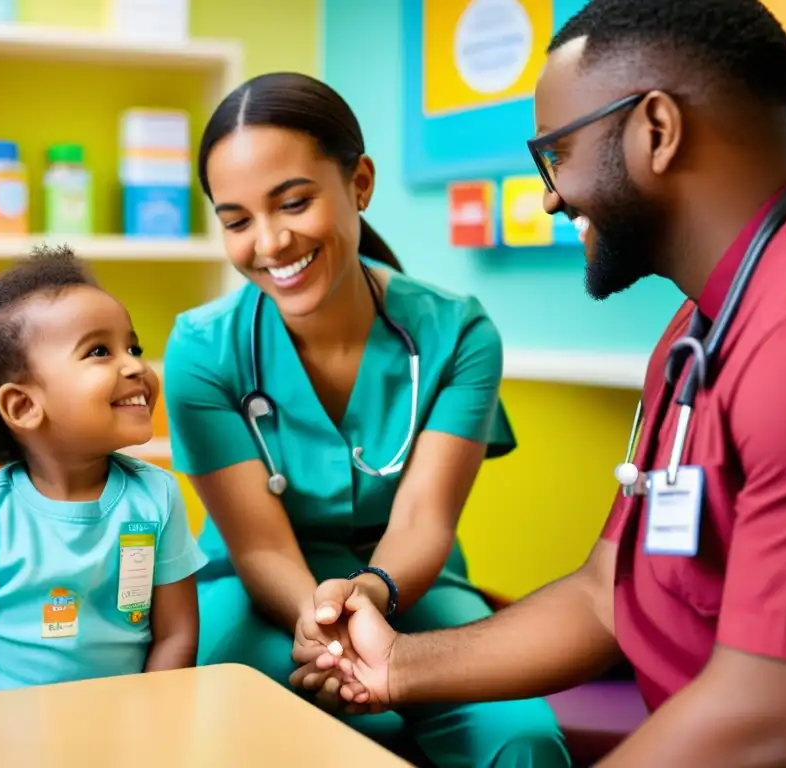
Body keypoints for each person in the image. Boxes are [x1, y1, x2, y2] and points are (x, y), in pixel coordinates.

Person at [291, 0, 786, 765]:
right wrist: (399, 665)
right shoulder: (702, 328)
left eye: (557, 154)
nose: (551, 196)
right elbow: (610, 591)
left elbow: (777, 718)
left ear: (656, 130)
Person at [162, 72, 570, 766]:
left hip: (408, 580)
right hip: (260, 589)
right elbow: (260, 546)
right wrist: (319, 617)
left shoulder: (458, 334)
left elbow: (422, 520)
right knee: (342, 735)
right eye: (236, 220)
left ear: (359, 184)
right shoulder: (201, 352)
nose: (269, 242)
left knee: (522, 740)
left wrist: (369, 594)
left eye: (293, 202)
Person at [0, 246, 207, 699]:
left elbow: (176, 637)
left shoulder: (158, 496)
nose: (134, 365)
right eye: (98, 351)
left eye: (133, 347)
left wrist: (153, 722)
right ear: (24, 406)